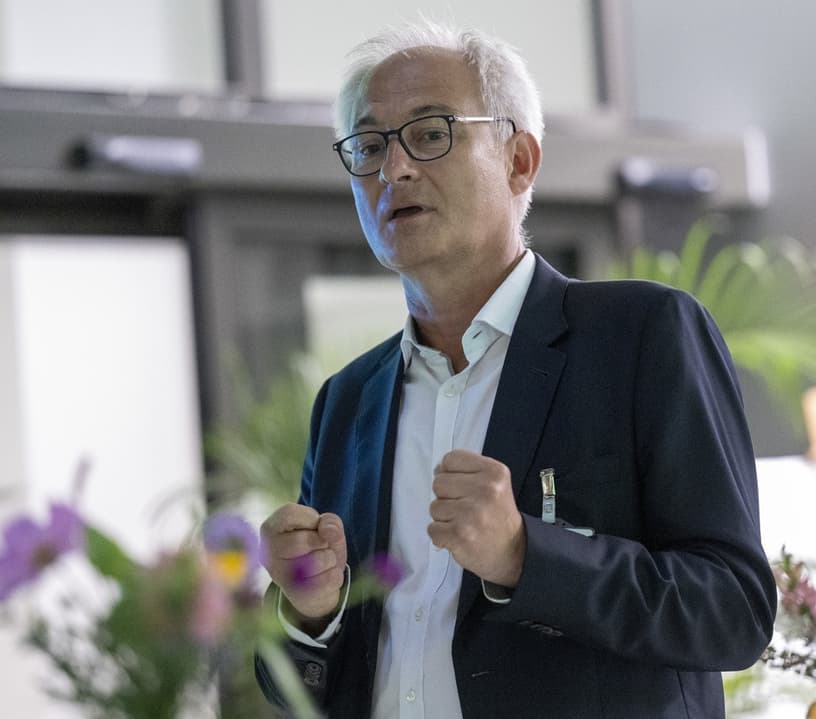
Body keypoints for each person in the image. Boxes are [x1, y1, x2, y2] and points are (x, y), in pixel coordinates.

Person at [256, 19, 776, 719]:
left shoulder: (641, 336)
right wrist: (310, 612)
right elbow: (314, 688)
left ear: (520, 161)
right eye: (369, 144)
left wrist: (526, 554)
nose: (394, 168)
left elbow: (733, 608)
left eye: (430, 132)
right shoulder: (348, 399)